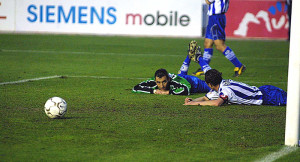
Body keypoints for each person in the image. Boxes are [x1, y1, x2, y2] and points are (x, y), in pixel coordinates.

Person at [193, 0, 246, 77]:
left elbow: (208, 1)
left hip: (217, 18)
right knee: (208, 43)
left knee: (219, 45)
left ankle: (239, 65)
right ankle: (205, 68)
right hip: (214, 17)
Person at [184, 69, 287, 106]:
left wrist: (195, 104)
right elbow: (206, 98)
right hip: (265, 90)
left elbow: (216, 103)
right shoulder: (222, 84)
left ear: (210, 84)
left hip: (269, 97)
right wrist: (192, 101)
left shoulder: (225, 91)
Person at [132, 50, 211, 95]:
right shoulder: (154, 81)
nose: (161, 85)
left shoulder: (175, 81)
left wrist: (168, 92)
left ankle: (199, 58)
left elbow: (186, 90)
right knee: (181, 75)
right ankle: (189, 55)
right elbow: (135, 88)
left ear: (168, 79)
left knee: (214, 82)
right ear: (155, 80)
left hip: (195, 83)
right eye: (158, 82)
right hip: (181, 77)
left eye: (164, 82)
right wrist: (153, 91)